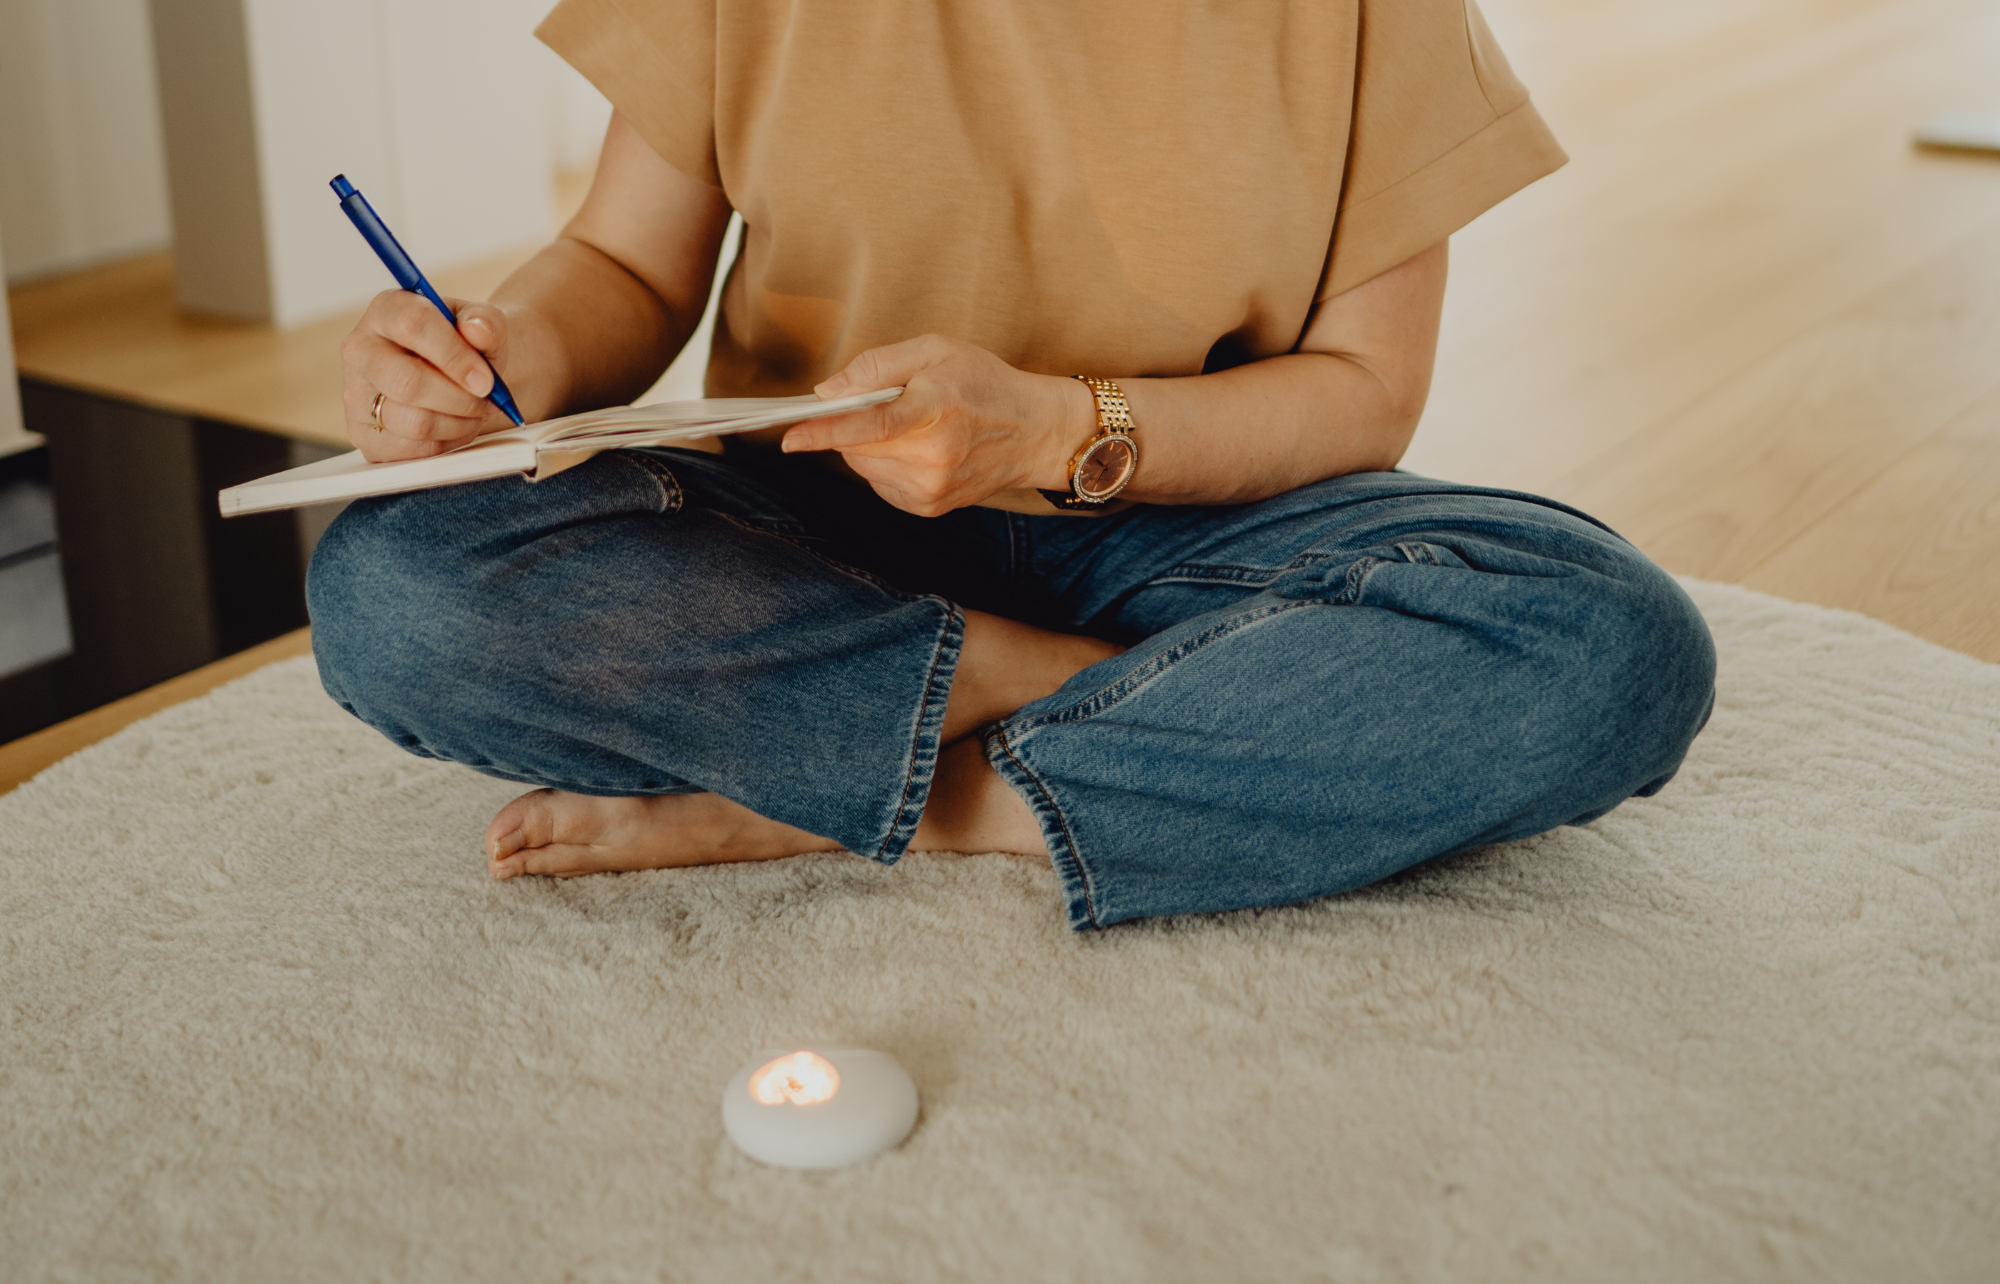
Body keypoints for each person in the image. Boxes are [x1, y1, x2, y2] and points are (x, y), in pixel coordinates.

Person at [308, 0, 1717, 933]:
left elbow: (1363, 396)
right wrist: (498, 364)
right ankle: (1060, 711)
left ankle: (836, 791)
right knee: (399, 587)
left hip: (1184, 524)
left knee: (1606, 641)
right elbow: (620, 263)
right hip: (811, 520)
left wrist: (1048, 428)